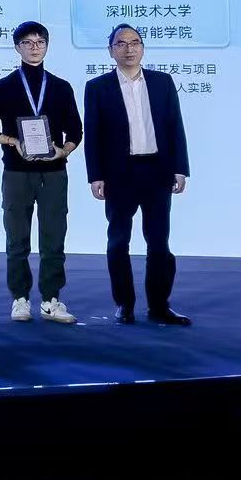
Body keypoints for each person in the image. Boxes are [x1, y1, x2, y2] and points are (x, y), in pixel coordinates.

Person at [84, 23, 191, 325]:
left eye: (135, 42)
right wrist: (95, 175)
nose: (129, 49)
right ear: (111, 51)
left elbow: (175, 126)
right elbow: (93, 134)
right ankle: (124, 304)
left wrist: (180, 168)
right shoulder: (97, 87)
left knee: (159, 242)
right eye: (121, 43)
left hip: (157, 171)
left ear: (143, 48)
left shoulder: (162, 82)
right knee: (118, 241)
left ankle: (159, 306)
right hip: (119, 174)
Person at [0, 21, 83, 324]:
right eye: (27, 42)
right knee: (16, 239)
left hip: (54, 172)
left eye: (40, 42)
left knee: (54, 238)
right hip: (16, 172)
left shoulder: (60, 86)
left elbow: (76, 130)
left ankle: (51, 299)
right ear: (17, 47)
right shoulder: (3, 87)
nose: (34, 47)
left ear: (47, 46)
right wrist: (11, 141)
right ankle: (20, 299)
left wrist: (64, 151)